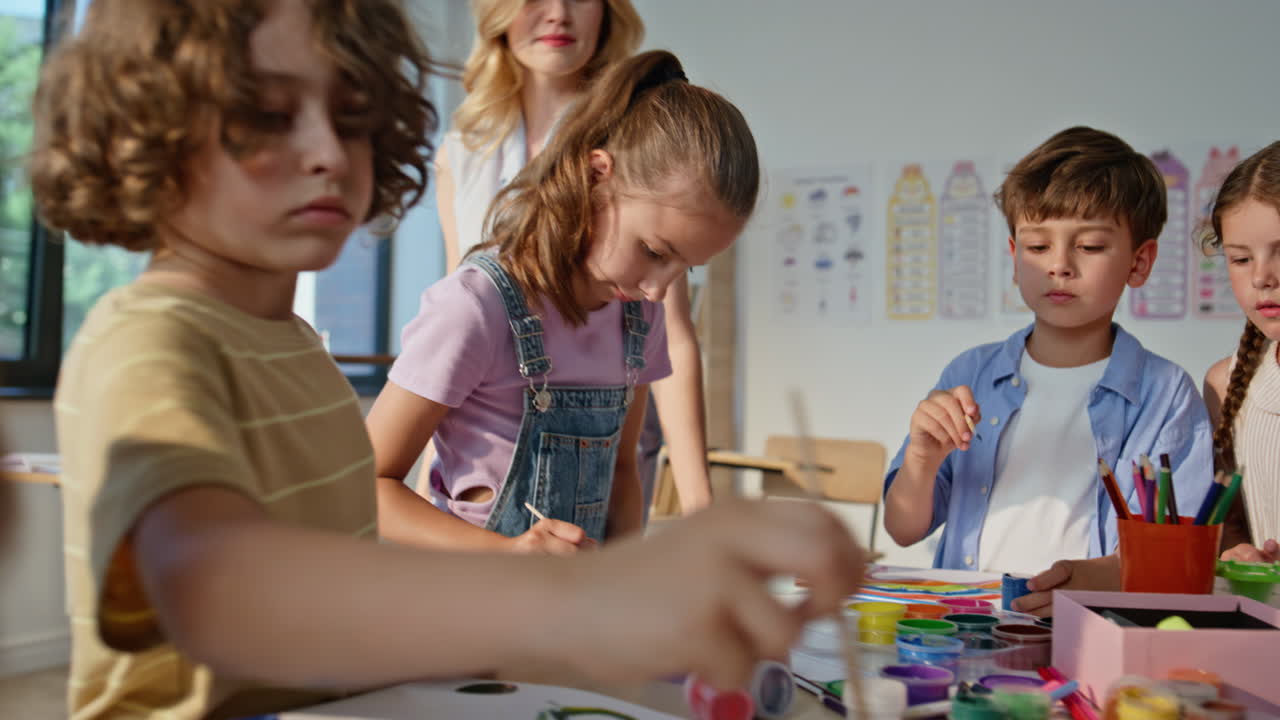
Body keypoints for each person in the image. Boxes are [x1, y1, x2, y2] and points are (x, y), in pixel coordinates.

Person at [31, 2, 866, 717]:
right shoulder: (147, 342)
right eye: (269, 115)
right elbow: (217, 590)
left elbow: (344, 601)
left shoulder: (298, 354)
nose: (328, 151)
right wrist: (575, 592)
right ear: (154, 131)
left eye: (351, 116)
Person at [367, 48, 749, 551]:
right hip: (466, 611)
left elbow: (622, 476)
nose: (659, 289)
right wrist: (507, 554)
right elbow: (365, 486)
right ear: (596, 175)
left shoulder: (638, 317)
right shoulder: (475, 307)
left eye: (686, 267)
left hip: (572, 619)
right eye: (655, 252)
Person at [882, 127, 1214, 615]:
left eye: (1091, 247)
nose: (1059, 266)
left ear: (1139, 262)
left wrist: (1089, 582)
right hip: (965, 627)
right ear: (1015, 259)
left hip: (1088, 633)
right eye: (1038, 248)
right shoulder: (970, 372)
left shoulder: (1166, 395)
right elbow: (903, 529)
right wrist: (921, 461)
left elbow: (1175, 565)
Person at [432, 0, 711, 519]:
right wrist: (432, 470)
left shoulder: (637, 139)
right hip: (485, 455)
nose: (558, 13)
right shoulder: (462, 152)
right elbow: (454, 313)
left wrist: (700, 507)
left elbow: (668, 330)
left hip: (601, 440)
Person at [1201, 141, 1280, 563]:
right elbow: (1230, 529)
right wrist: (1236, 555)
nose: (1263, 277)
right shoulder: (1226, 384)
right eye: (1241, 258)